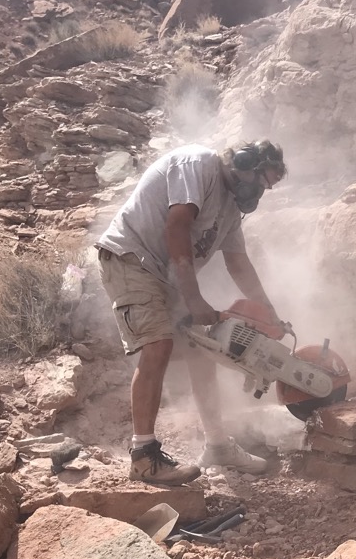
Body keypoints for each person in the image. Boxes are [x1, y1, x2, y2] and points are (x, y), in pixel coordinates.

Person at [96, 140, 287, 485]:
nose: (260, 191)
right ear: (243, 163)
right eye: (261, 181)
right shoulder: (198, 165)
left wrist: (269, 311)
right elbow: (177, 225)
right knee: (157, 345)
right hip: (131, 259)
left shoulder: (230, 210)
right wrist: (194, 298)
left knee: (202, 351)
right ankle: (143, 456)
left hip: (164, 275)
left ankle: (217, 446)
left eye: (267, 187)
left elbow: (238, 262)